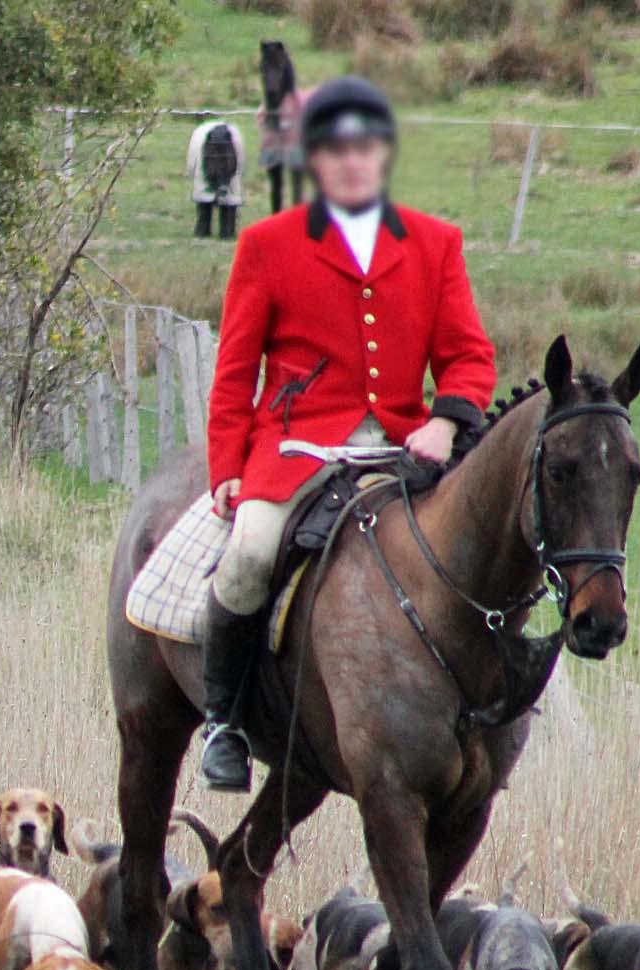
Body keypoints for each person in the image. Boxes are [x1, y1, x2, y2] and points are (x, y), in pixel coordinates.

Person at [199, 76, 495, 793]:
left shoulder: (435, 242)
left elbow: (468, 354)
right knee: (247, 554)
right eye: (336, 148)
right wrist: (228, 469)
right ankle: (226, 723)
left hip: (402, 447)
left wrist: (444, 419)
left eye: (365, 146)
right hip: (296, 450)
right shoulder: (268, 245)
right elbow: (236, 371)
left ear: (383, 154)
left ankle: (485, 710)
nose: (352, 161)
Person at [186, 119, 244, 239]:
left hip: (225, 165)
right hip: (214, 163)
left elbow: (192, 164)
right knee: (230, 194)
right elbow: (241, 164)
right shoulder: (234, 137)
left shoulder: (200, 135)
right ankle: (227, 230)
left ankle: (204, 229)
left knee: (205, 193)